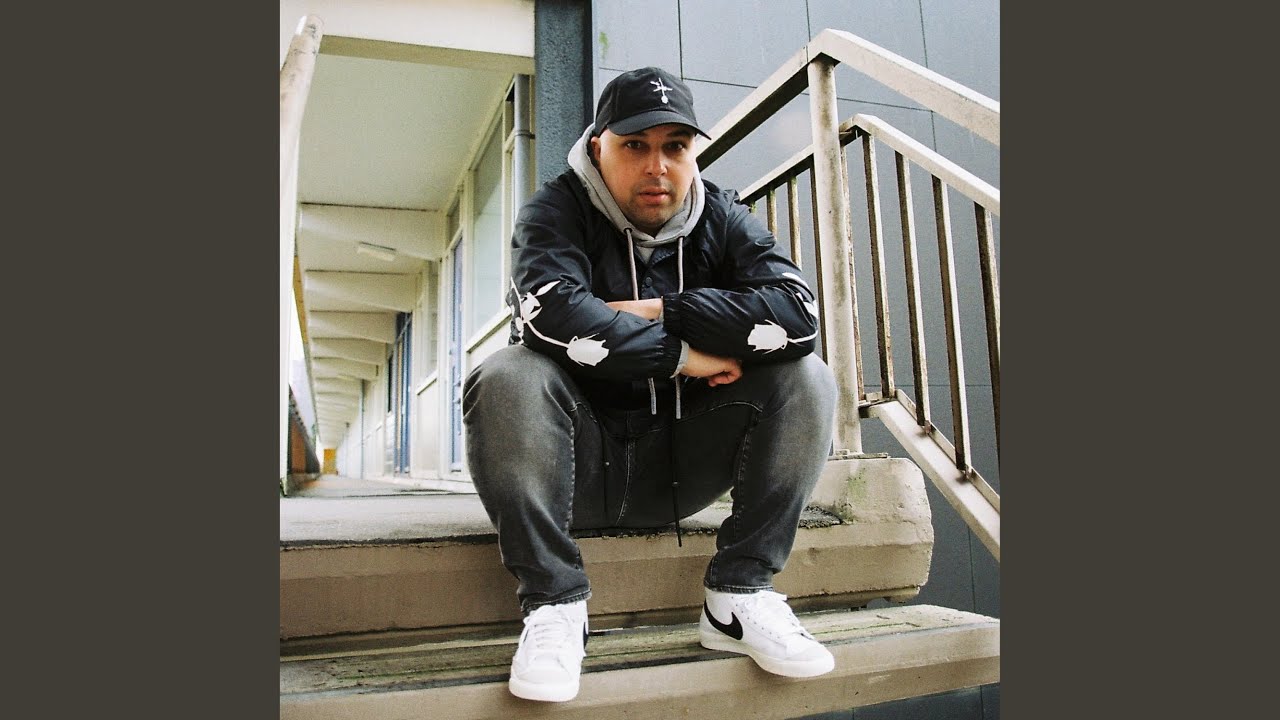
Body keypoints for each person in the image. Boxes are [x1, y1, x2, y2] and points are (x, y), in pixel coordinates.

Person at [462, 66, 838, 703]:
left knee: (807, 375)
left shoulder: (722, 214)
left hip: (683, 467)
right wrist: (684, 356)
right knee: (506, 373)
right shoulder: (555, 210)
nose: (657, 166)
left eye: (675, 146)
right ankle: (555, 605)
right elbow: (553, 318)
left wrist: (668, 310)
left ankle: (739, 595)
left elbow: (798, 315)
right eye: (635, 145)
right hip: (575, 470)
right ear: (599, 146)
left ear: (692, 154)